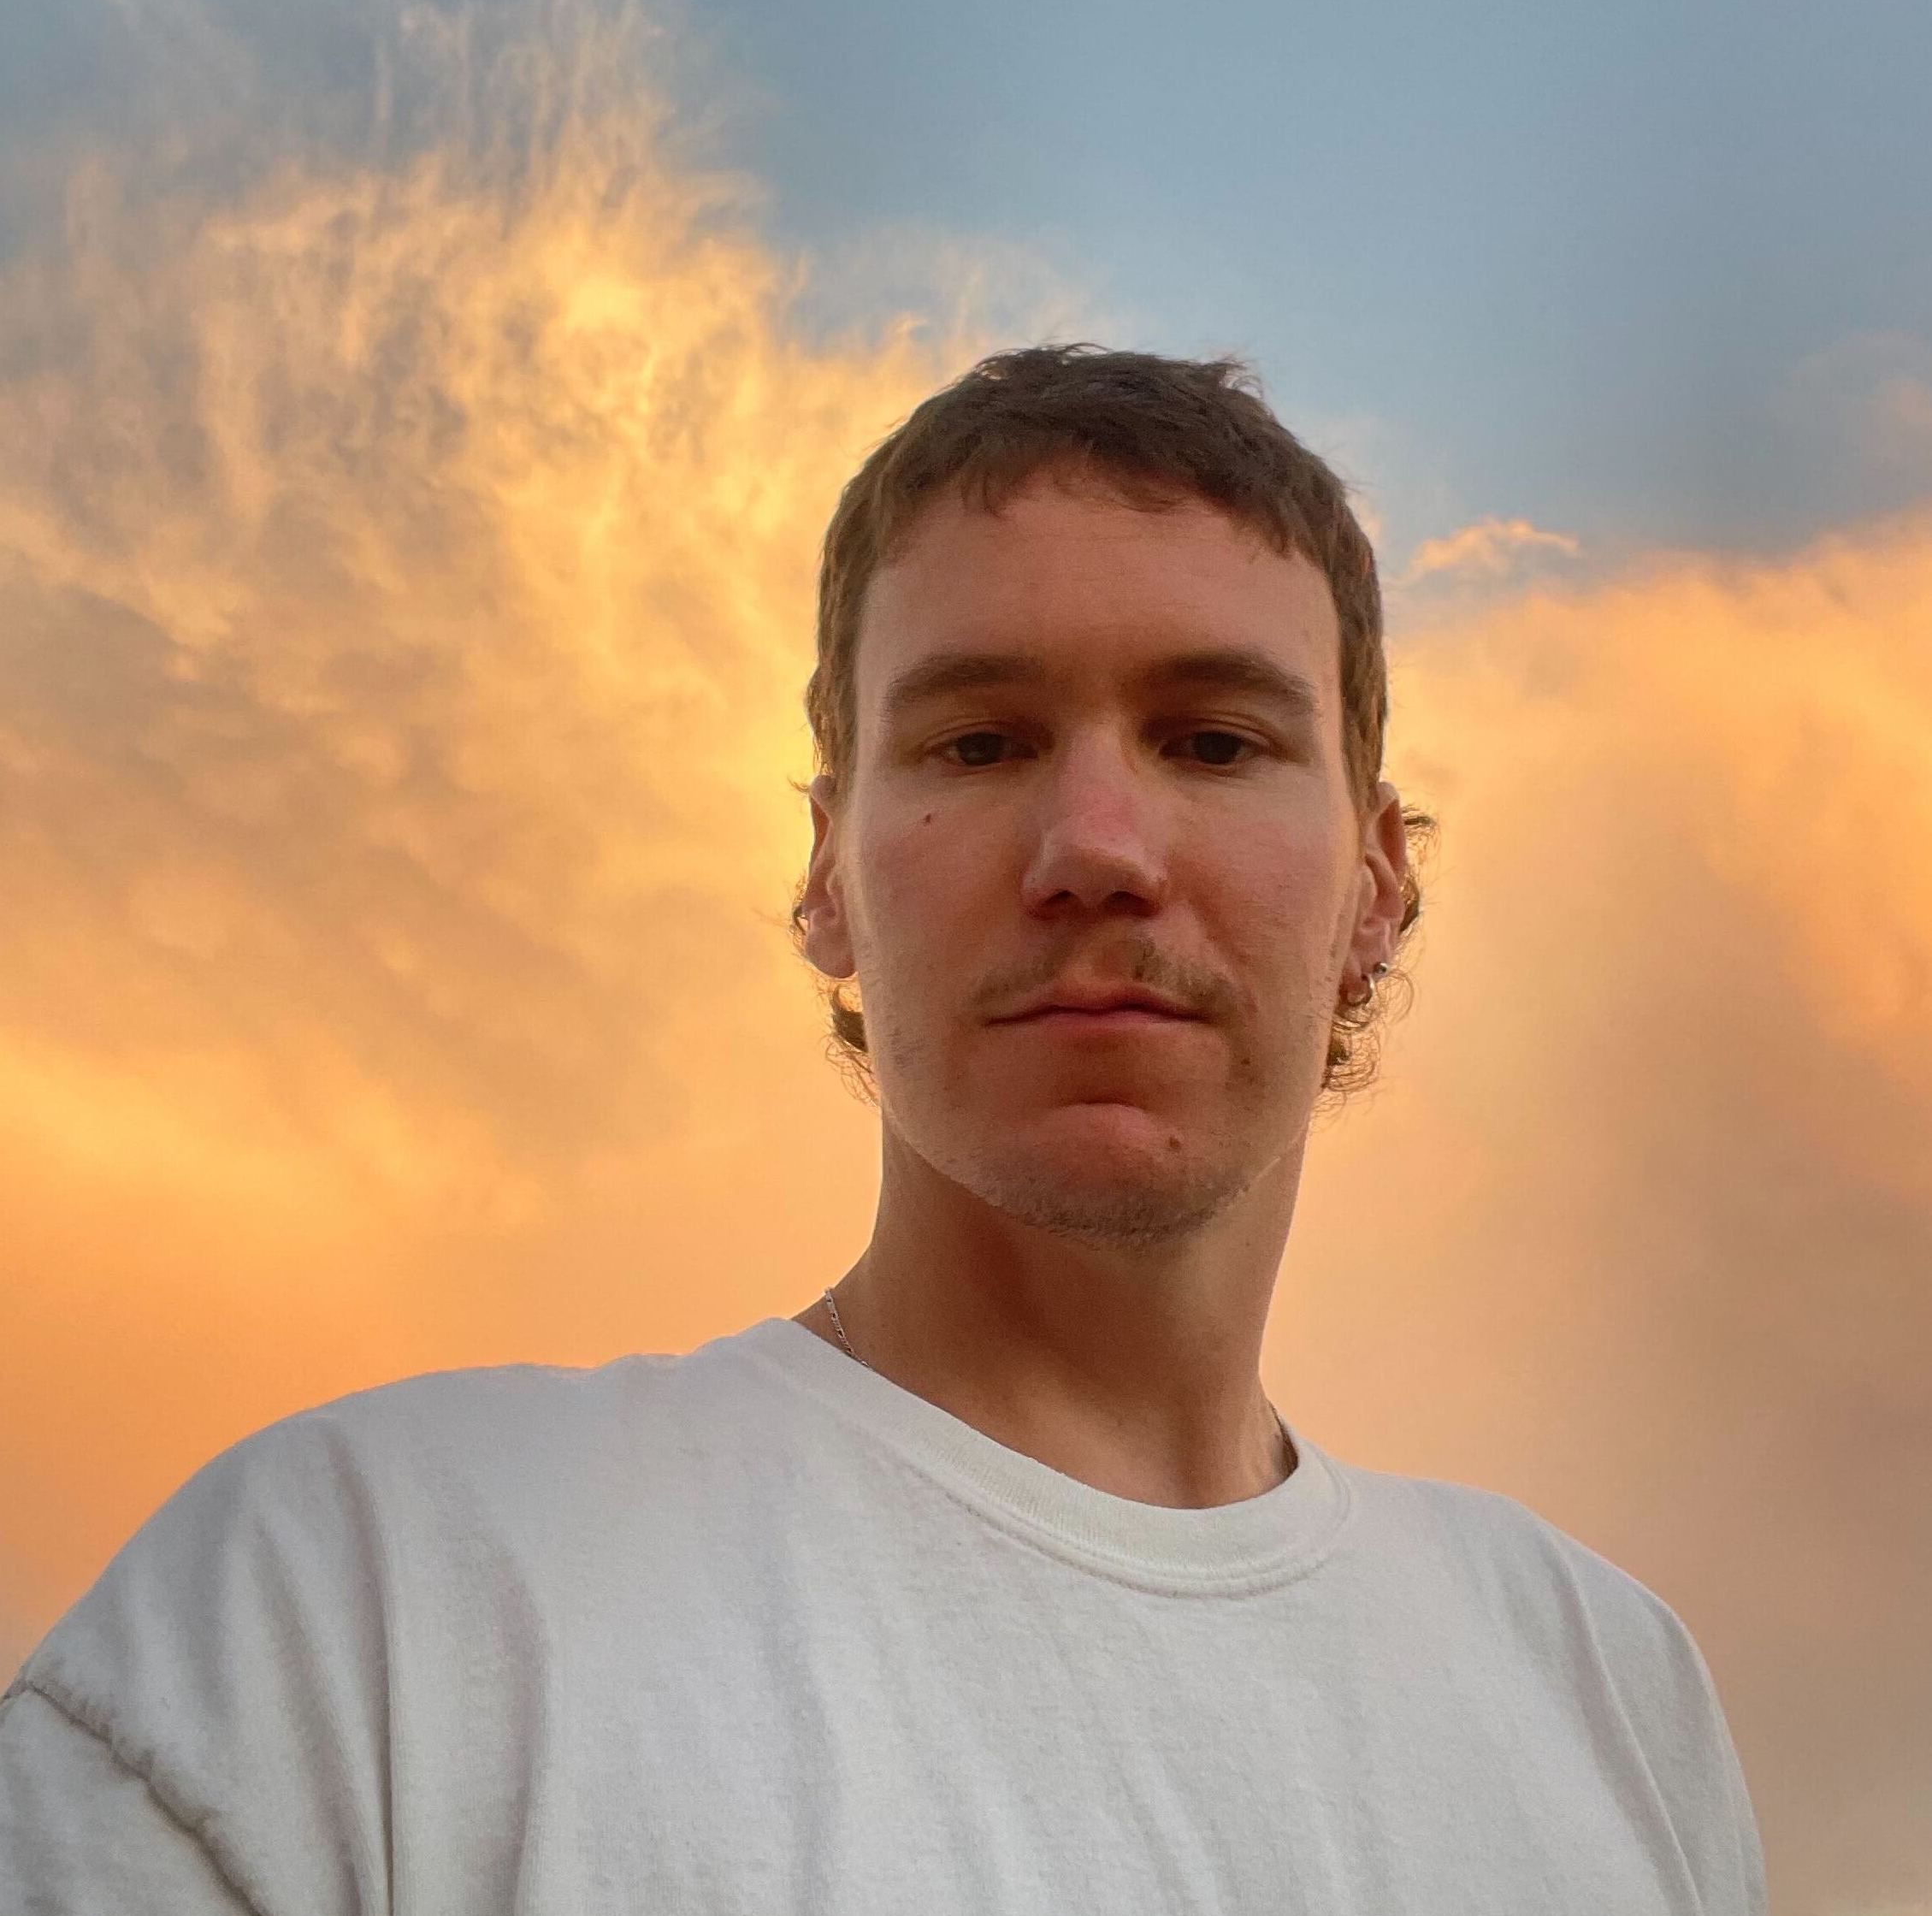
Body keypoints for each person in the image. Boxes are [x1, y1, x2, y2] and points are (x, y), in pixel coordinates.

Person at [0, 345, 1768, 1913]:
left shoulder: (1605, 1695)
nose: (1096, 845)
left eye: (1215, 740)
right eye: (980, 742)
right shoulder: (354, 1613)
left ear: (1376, 881)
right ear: (826, 878)